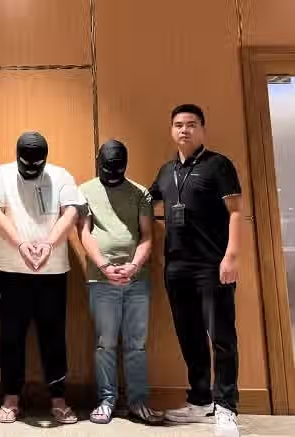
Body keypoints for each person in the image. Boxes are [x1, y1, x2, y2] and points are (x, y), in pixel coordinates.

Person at [150, 104, 241, 436]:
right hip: (176, 268)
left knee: (222, 338)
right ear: (171, 130)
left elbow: (235, 212)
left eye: (191, 124)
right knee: (189, 336)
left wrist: (231, 256)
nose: (184, 130)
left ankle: (226, 407)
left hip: (212, 266)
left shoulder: (218, 165)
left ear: (202, 129)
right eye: (178, 125)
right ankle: (201, 401)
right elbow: (146, 202)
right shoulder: (166, 171)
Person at [0, 132, 81, 425]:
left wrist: (49, 244)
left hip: (52, 271)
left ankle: (59, 399)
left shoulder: (61, 175)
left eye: (36, 164)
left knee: (54, 335)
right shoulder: (1, 174)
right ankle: (10, 399)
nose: (30, 169)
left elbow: (71, 212)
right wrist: (21, 245)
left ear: (45, 159)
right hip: (10, 270)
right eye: (25, 163)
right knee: (10, 336)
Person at [78, 139, 163, 425]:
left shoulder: (140, 192)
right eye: (107, 168)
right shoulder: (85, 191)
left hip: (137, 279)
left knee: (137, 344)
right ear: (98, 162)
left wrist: (134, 266)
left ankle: (138, 402)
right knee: (105, 343)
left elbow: (147, 235)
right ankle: (107, 400)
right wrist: (104, 266)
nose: (112, 174)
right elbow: (84, 233)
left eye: (117, 169)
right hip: (100, 279)